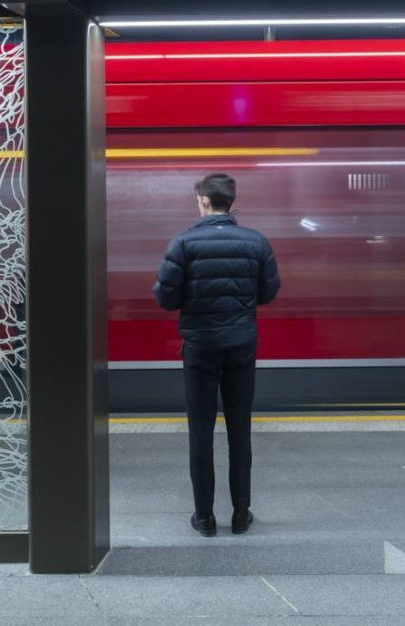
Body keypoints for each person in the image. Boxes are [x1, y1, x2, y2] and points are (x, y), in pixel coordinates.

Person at [153, 173, 280, 537]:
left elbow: (167, 298)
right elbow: (268, 292)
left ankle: (204, 518)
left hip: (200, 349)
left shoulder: (184, 244)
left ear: (205, 200)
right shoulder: (256, 242)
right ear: (230, 202)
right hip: (242, 347)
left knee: (201, 434)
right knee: (240, 432)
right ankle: (241, 514)